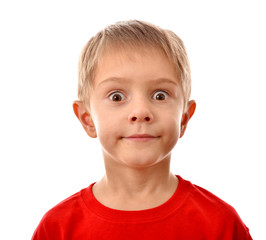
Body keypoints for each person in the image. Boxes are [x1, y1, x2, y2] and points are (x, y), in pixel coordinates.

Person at [32, 20, 252, 239]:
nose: (140, 111)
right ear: (87, 119)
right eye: (117, 96)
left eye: (160, 95)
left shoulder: (221, 223)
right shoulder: (56, 229)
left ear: (184, 118)